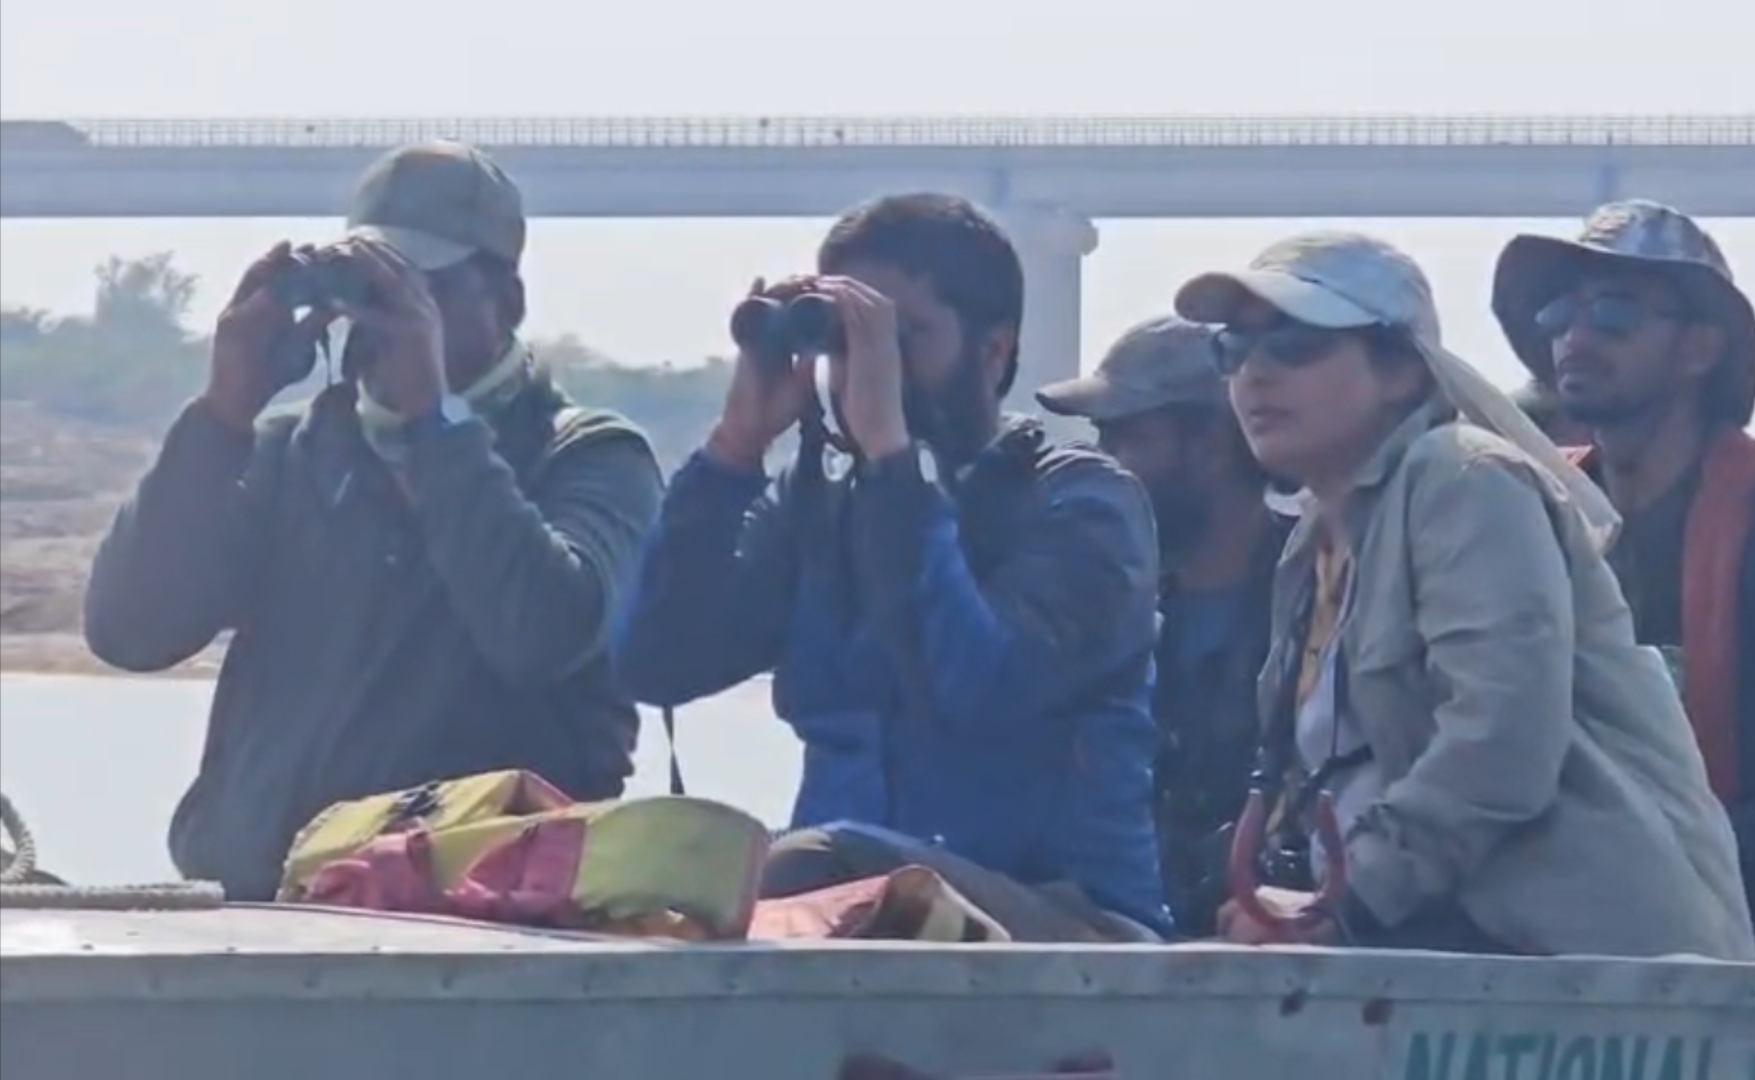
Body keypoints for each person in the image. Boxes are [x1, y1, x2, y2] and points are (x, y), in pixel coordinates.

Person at [83, 141, 664, 902]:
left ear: (507, 302)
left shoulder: (590, 457)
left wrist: (435, 428)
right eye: (370, 285)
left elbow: (540, 633)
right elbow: (130, 631)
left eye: (424, 289)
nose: (385, 316)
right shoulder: (291, 454)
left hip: (481, 918)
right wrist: (222, 414)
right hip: (268, 901)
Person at [1175, 229, 1755, 958]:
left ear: (1400, 371)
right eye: (1233, 349)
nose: (1255, 374)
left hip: (1582, 970)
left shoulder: (1462, 479)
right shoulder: (1313, 543)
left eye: (1295, 344)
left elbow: (1500, 742)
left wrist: (1348, 901)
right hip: (1445, 951)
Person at [613, 193, 1170, 941]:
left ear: (994, 351)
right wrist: (732, 452)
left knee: (828, 860)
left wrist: (892, 461)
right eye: (850, 341)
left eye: (902, 337)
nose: (872, 369)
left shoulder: (1083, 503)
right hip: (852, 916)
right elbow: (656, 664)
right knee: (658, 880)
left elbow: (978, 690)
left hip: (1069, 924)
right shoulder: (820, 505)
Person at [1491, 199, 1755, 960]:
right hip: (1544, 944)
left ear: (1700, 349)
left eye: (1613, 312)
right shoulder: (1528, 518)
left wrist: (1650, 884)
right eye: (1559, 313)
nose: (1576, 336)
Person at [1036, 315, 1295, 937]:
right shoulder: (1108, 607)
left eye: (1127, 440)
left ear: (1210, 445)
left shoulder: (1322, 588)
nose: (1103, 468)